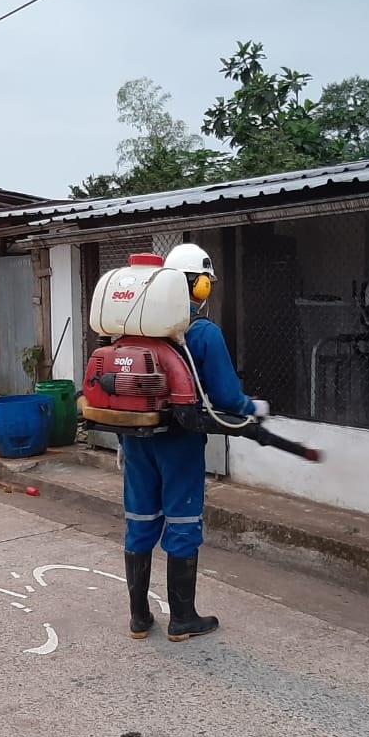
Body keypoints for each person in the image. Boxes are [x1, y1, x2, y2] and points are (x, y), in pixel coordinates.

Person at [121, 243, 268, 642]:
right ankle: (182, 618)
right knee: (182, 520)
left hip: (135, 434)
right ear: (200, 286)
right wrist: (251, 407)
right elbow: (225, 396)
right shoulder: (200, 331)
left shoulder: (131, 325)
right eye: (208, 284)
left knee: (140, 518)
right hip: (179, 439)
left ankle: (139, 618)